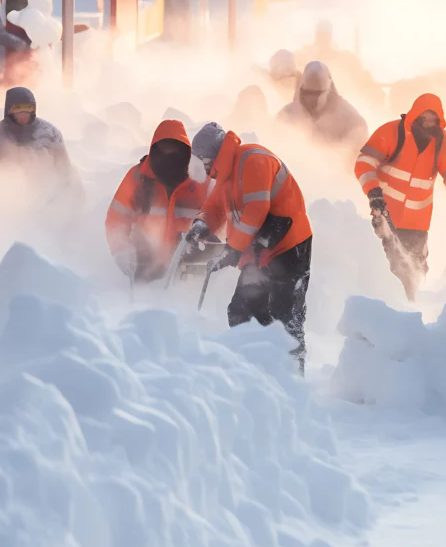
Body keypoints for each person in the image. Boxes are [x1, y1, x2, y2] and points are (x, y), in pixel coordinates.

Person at [184, 123, 314, 373]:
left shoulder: (252, 160)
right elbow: (215, 208)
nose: (203, 166)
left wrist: (232, 250)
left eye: (203, 160)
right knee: (241, 311)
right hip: (259, 251)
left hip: (289, 246)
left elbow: (256, 211)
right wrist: (201, 224)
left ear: (212, 155)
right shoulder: (226, 175)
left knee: (285, 315)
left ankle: (293, 377)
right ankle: (255, 371)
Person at [354, 94, 446, 300]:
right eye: (425, 118)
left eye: (433, 120)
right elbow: (364, 163)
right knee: (380, 272)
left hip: (417, 227)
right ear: (414, 116)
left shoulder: (444, 143)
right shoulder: (391, 133)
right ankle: (377, 312)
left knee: (411, 277)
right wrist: (374, 193)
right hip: (383, 217)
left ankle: (409, 314)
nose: (429, 124)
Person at [105, 120, 211, 283]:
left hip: (186, 266)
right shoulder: (138, 177)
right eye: (164, 149)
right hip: (144, 262)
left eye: (175, 151)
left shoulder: (199, 181)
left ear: (185, 152)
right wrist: (121, 251)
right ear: (154, 149)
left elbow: (217, 218)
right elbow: (116, 218)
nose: (169, 157)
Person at [0, 87, 81, 199]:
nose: (24, 114)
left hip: (49, 196)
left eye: (28, 109)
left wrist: (66, 194)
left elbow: (64, 167)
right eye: (19, 110)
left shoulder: (50, 133)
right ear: (10, 111)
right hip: (12, 199)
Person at [277, 61, 368, 152]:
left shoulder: (350, 120)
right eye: (307, 93)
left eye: (316, 93)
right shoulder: (288, 114)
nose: (310, 99)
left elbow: (361, 155)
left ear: (328, 91)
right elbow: (274, 145)